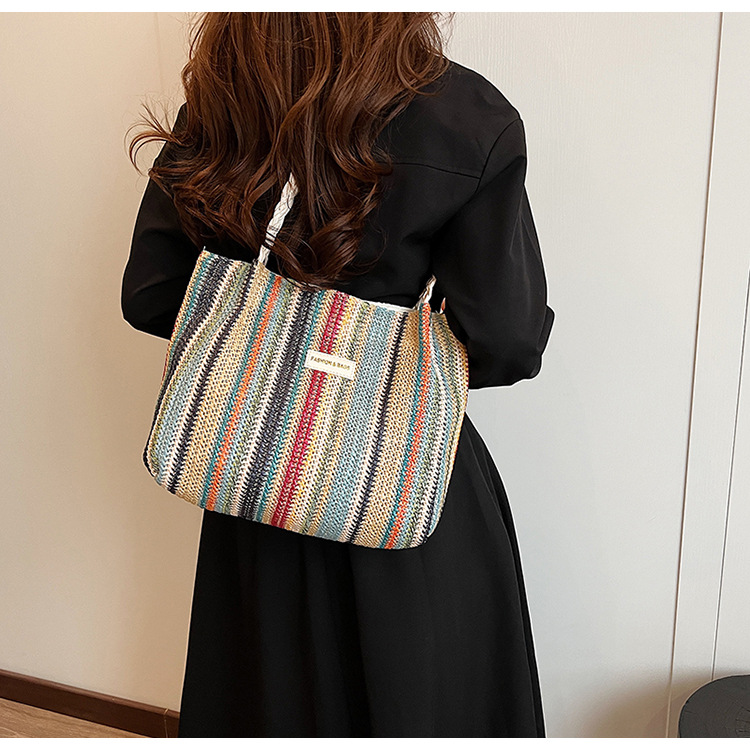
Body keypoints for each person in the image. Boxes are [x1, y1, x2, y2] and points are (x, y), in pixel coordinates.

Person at [121, 12, 554, 738]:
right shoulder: (467, 114)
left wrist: (266, 337)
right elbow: (507, 339)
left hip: (253, 476)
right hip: (401, 478)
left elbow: (152, 294)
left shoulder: (226, 98)